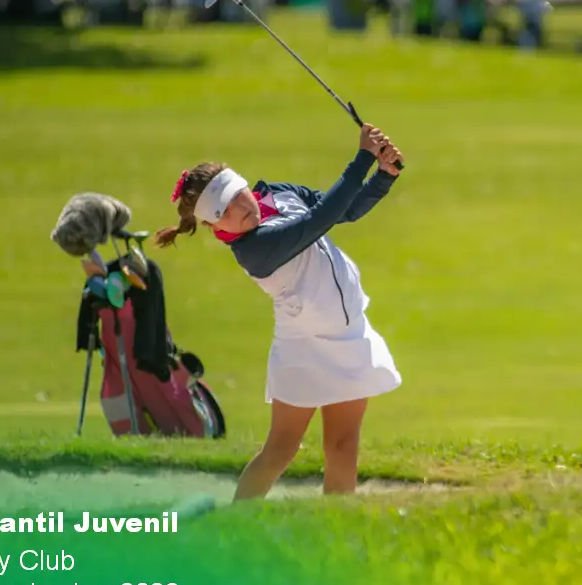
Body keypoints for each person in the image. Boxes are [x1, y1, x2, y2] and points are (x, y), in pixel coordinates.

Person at [154, 124, 404, 501]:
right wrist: (363, 158)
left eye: (238, 197)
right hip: (304, 349)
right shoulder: (253, 248)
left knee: (343, 444)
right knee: (281, 449)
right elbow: (317, 220)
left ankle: (338, 524)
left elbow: (343, 209)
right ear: (213, 226)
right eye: (225, 212)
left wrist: (383, 176)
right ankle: (238, 521)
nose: (240, 210)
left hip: (350, 333)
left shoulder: (278, 193)